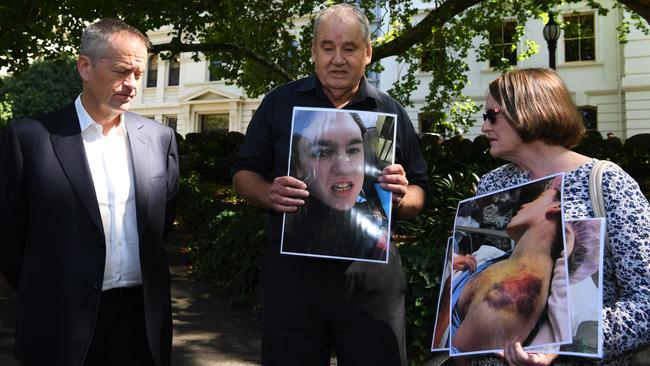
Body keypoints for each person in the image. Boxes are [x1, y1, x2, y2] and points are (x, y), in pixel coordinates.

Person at [231, 4, 430, 365]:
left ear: (367, 53)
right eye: (327, 48)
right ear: (313, 52)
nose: (338, 59)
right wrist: (267, 192)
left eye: (350, 48)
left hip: (370, 283)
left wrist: (401, 196)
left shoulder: (389, 112)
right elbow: (243, 173)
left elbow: (419, 192)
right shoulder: (280, 103)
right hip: (293, 281)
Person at [0, 19, 179, 366]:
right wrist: (44, 285)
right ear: (85, 66)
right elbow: (9, 231)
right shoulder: (29, 139)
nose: (132, 85)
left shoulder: (160, 139)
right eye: (121, 71)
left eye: (139, 74)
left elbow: (161, 222)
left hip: (141, 321)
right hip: (58, 319)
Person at [472, 68, 650, 365]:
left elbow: (646, 301)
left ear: (529, 110)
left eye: (492, 115)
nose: (483, 127)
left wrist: (564, 340)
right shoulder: (492, 185)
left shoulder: (606, 182)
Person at [451, 179, 568, 354]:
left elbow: (446, 358)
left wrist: (447, 286)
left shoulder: (509, 298)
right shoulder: (501, 261)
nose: (525, 205)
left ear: (556, 208)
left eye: (539, 198)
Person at [283, 110, 390, 260]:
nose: (344, 168)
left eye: (353, 150)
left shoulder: (380, 220)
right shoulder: (290, 236)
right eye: (323, 153)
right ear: (298, 166)